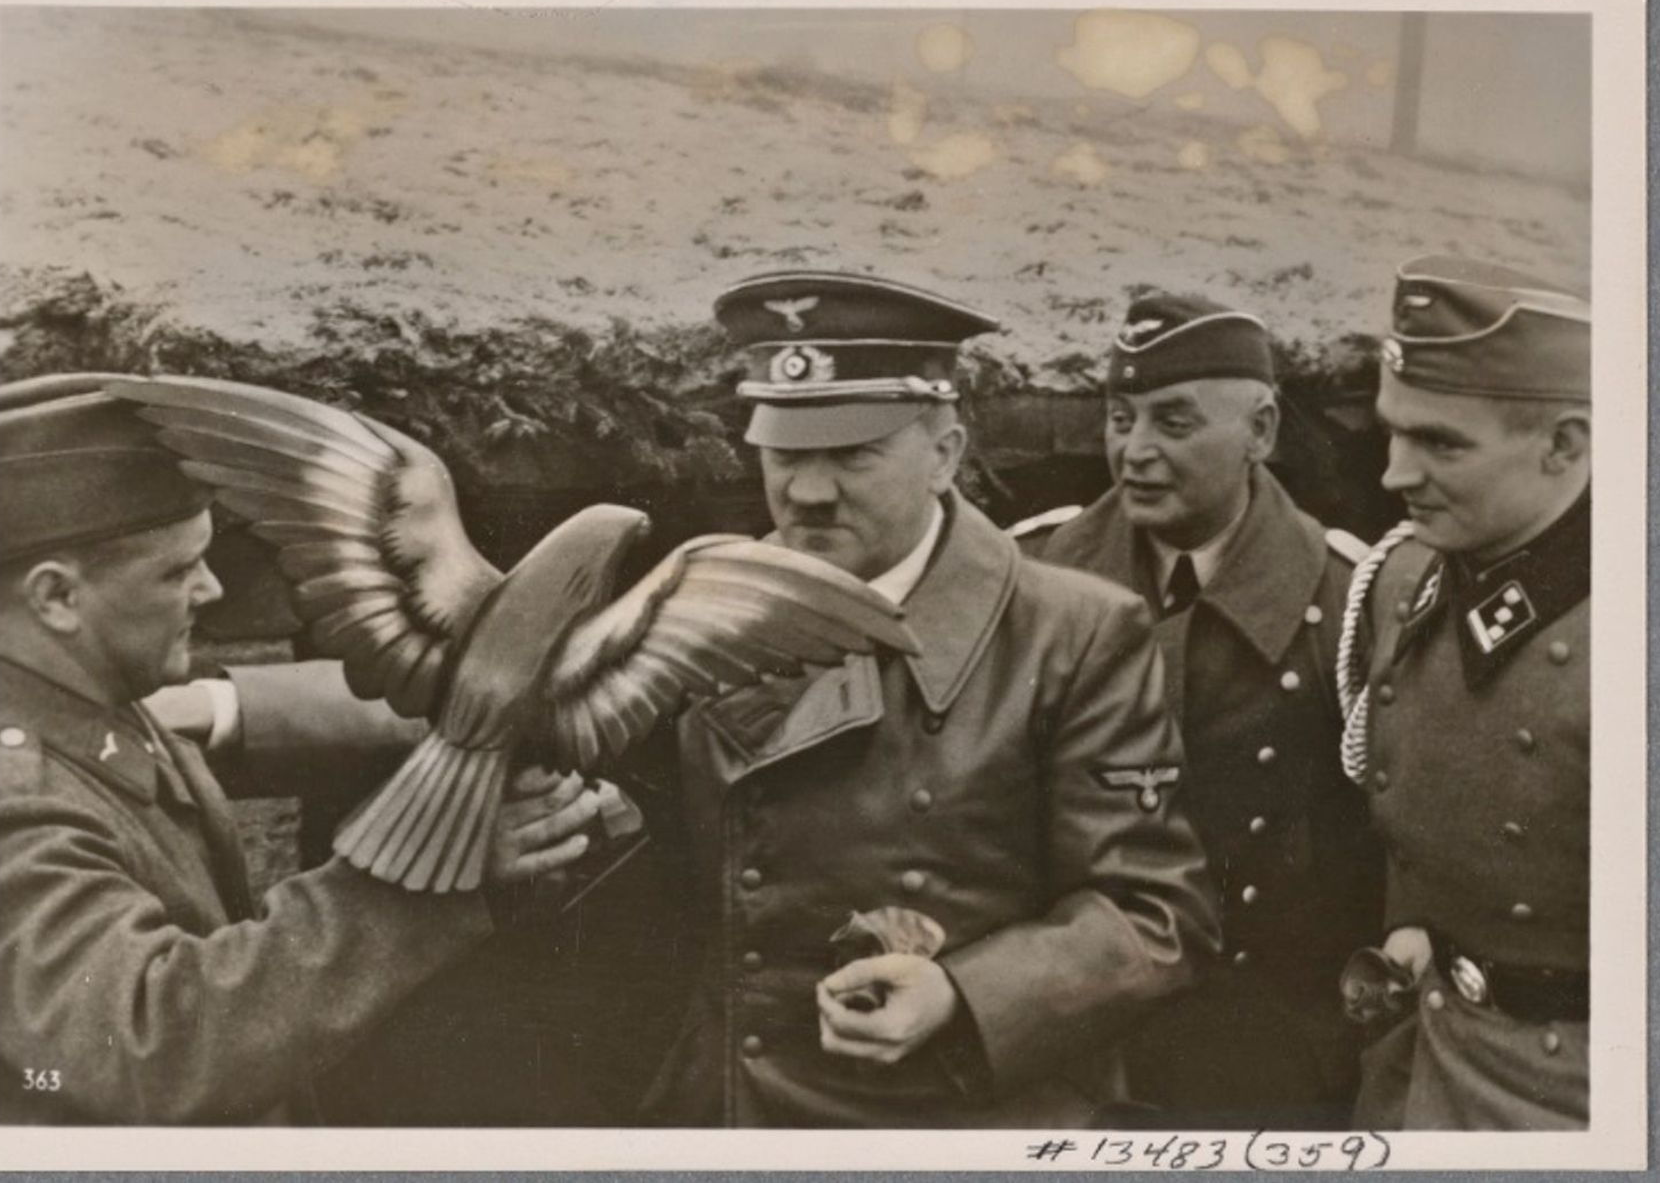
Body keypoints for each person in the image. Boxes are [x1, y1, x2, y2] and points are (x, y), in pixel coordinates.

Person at [174, 271, 1221, 1128]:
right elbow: (496, 688)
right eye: (783, 453)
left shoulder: (1076, 629)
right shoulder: (714, 593)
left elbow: (1151, 914)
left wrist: (966, 995)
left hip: (958, 1117)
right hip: (726, 1113)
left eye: (850, 454)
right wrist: (222, 707)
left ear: (946, 451)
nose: (806, 493)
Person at [0, 374, 601, 1126]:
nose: (211, 589)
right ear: (55, 597)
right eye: (178, 570)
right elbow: (152, 1043)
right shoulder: (5, 802)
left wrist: (499, 706)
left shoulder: (80, 698)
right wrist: (426, 877)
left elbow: (195, 728)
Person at [1010, 293, 1384, 1128]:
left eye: (1174, 422)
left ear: (1261, 430)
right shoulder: (1028, 577)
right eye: (1119, 417)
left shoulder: (1352, 597)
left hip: (1263, 1061)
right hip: (1063, 1047)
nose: (1133, 451)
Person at [1338, 256, 1590, 1130]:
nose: (1393, 476)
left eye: (1442, 443)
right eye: (1392, 432)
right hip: (1419, 1057)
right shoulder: (1405, 582)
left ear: (1566, 445)